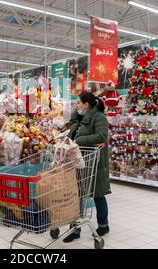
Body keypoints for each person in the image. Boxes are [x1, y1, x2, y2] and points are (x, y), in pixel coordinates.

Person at [63, 91, 111, 243]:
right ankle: (74, 229)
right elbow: (71, 132)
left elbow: (102, 136)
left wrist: (78, 140)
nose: (76, 105)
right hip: (76, 161)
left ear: (86, 104)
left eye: (78, 102)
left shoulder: (99, 117)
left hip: (94, 161)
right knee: (76, 196)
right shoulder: (79, 118)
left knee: (97, 194)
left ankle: (103, 225)